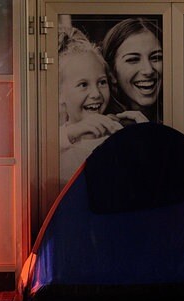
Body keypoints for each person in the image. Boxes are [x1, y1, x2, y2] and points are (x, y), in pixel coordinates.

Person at [58, 26, 146, 183]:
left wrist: (146, 136)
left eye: (102, 82)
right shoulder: (58, 141)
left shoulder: (119, 135)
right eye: (83, 84)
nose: (96, 94)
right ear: (59, 94)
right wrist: (73, 132)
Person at [101, 17, 163, 123]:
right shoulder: (103, 128)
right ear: (111, 73)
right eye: (133, 59)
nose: (148, 70)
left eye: (155, 57)